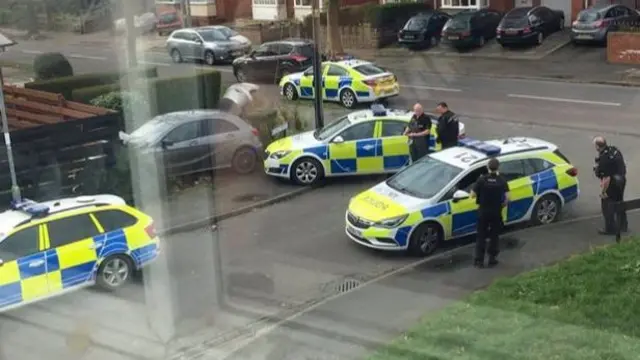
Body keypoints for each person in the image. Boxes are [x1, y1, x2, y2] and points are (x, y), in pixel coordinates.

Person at [470, 158, 509, 268]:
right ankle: (492, 260)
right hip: (496, 212)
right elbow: (508, 198)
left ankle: (479, 261)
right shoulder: (502, 180)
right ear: (498, 167)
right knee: (494, 236)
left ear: (487, 167)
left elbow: (472, 195)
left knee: (481, 236)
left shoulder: (482, 180)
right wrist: (502, 205)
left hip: (483, 212)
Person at [593, 136, 627, 235]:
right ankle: (623, 225)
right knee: (620, 202)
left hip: (612, 183)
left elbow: (606, 179)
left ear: (598, 146)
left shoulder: (604, 159)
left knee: (607, 205)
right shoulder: (614, 150)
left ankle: (610, 228)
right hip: (621, 180)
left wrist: (603, 192)